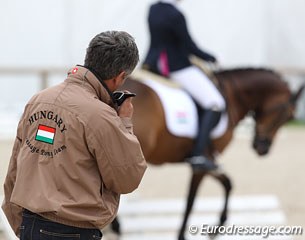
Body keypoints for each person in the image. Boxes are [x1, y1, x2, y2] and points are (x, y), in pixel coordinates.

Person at [2, 31, 147, 240]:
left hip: (30, 225)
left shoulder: (37, 100)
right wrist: (124, 122)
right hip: (74, 231)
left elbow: (14, 172)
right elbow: (128, 178)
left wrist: (23, 227)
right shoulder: (100, 115)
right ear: (120, 76)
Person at [143, 0, 225, 170]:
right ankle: (198, 154)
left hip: (153, 64)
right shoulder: (176, 14)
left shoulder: (153, 9)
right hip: (176, 66)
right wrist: (211, 58)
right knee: (215, 103)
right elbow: (189, 46)